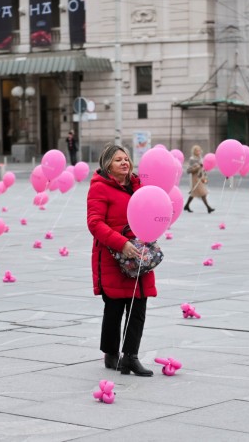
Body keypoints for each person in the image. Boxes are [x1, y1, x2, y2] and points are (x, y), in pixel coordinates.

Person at [87, 143, 156, 376]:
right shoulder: (100, 188)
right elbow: (95, 223)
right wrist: (121, 243)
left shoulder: (139, 186)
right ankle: (111, 353)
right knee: (115, 307)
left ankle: (131, 357)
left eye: (126, 158)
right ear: (107, 165)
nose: (124, 162)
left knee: (139, 306)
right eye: (118, 160)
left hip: (138, 254)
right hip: (112, 255)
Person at [184, 144, 215, 213]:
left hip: (201, 177)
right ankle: (208, 208)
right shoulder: (192, 159)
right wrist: (198, 166)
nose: (199, 152)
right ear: (194, 151)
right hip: (195, 178)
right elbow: (189, 169)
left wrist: (205, 175)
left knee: (194, 193)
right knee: (203, 193)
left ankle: (186, 206)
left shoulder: (200, 158)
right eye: (197, 150)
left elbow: (203, 168)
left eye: (199, 150)